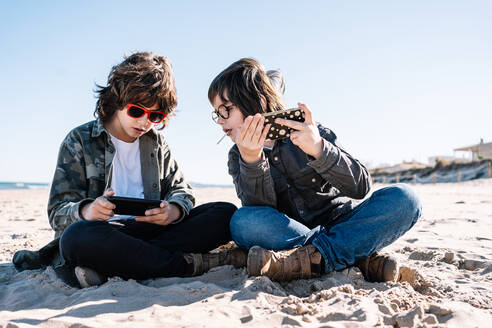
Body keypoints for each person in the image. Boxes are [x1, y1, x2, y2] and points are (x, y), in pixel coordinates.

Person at [14, 52, 246, 288]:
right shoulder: (79, 141)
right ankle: (187, 265)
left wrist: (174, 211)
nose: (145, 122)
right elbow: (58, 212)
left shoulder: (156, 143)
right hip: (103, 234)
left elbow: (181, 190)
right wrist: (87, 210)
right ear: (117, 98)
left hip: (149, 233)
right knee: (76, 239)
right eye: (137, 111)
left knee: (223, 213)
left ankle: (119, 266)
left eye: (155, 115)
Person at [207, 58, 421, 282]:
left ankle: (318, 258)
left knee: (406, 198)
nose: (220, 122)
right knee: (243, 221)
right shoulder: (237, 155)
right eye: (216, 113)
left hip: (342, 222)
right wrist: (252, 160)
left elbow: (360, 187)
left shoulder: (311, 132)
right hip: (291, 234)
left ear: (257, 102)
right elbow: (261, 212)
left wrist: (319, 149)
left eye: (225, 110)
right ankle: (356, 258)